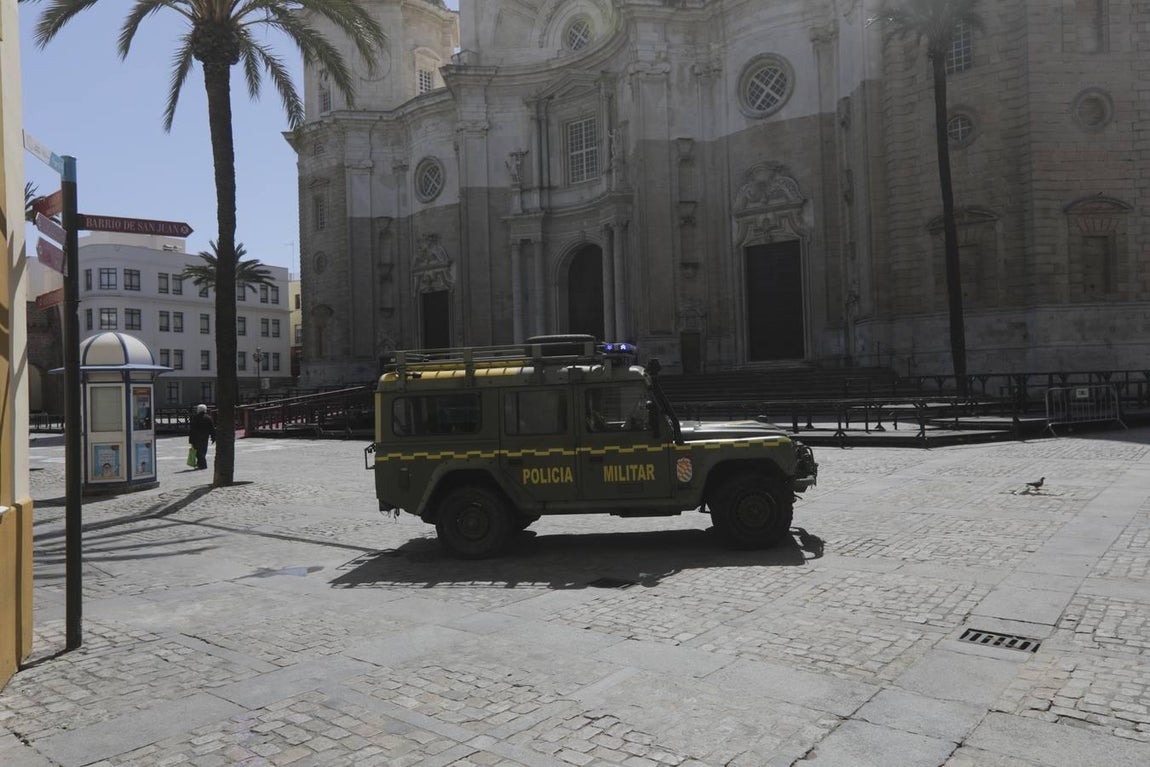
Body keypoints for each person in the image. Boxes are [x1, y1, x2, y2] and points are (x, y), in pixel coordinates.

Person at [188, 404, 216, 471]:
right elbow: (212, 429)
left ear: (198, 410)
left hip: (196, 437)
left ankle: (203, 465)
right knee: (203, 451)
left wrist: (190, 440)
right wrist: (213, 437)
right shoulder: (208, 418)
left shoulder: (195, 418)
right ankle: (201, 464)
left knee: (198, 452)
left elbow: (192, 429)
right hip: (205, 437)